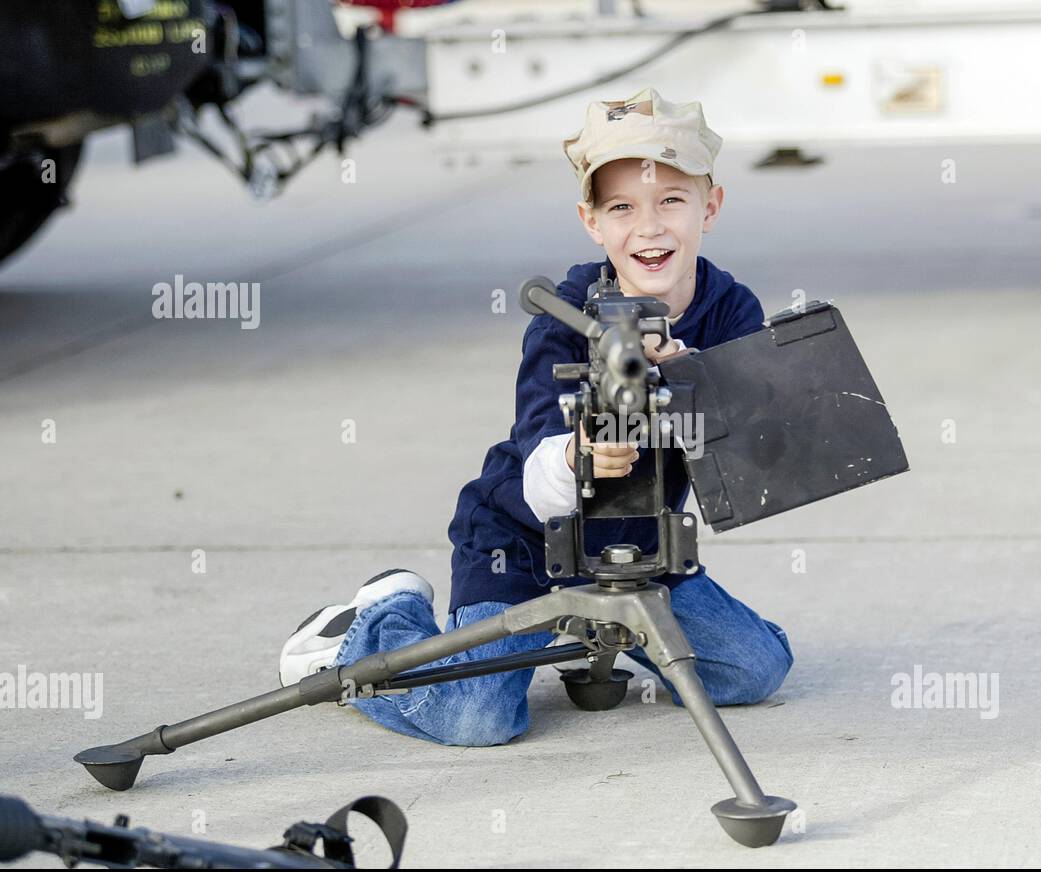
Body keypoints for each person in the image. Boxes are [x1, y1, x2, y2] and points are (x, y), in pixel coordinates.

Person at [278, 88, 793, 746]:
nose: (650, 226)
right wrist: (580, 454)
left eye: (671, 200)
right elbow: (535, 457)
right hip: (523, 543)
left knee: (753, 669)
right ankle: (380, 619)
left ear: (709, 206)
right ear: (591, 221)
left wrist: (698, 379)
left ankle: (596, 639)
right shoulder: (565, 310)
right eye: (622, 207)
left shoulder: (730, 310)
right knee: (478, 715)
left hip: (641, 550)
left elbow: (755, 449)